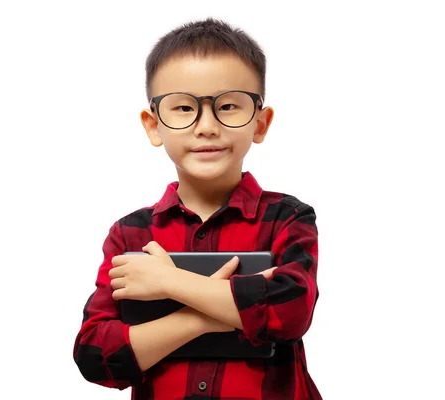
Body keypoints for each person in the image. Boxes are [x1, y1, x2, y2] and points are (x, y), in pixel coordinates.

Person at [73, 17, 322, 399]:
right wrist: (205, 317)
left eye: (228, 106)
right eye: (184, 108)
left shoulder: (288, 218)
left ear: (261, 123)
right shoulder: (130, 235)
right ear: (154, 125)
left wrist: (168, 282)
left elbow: (290, 314)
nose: (206, 126)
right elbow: (95, 355)